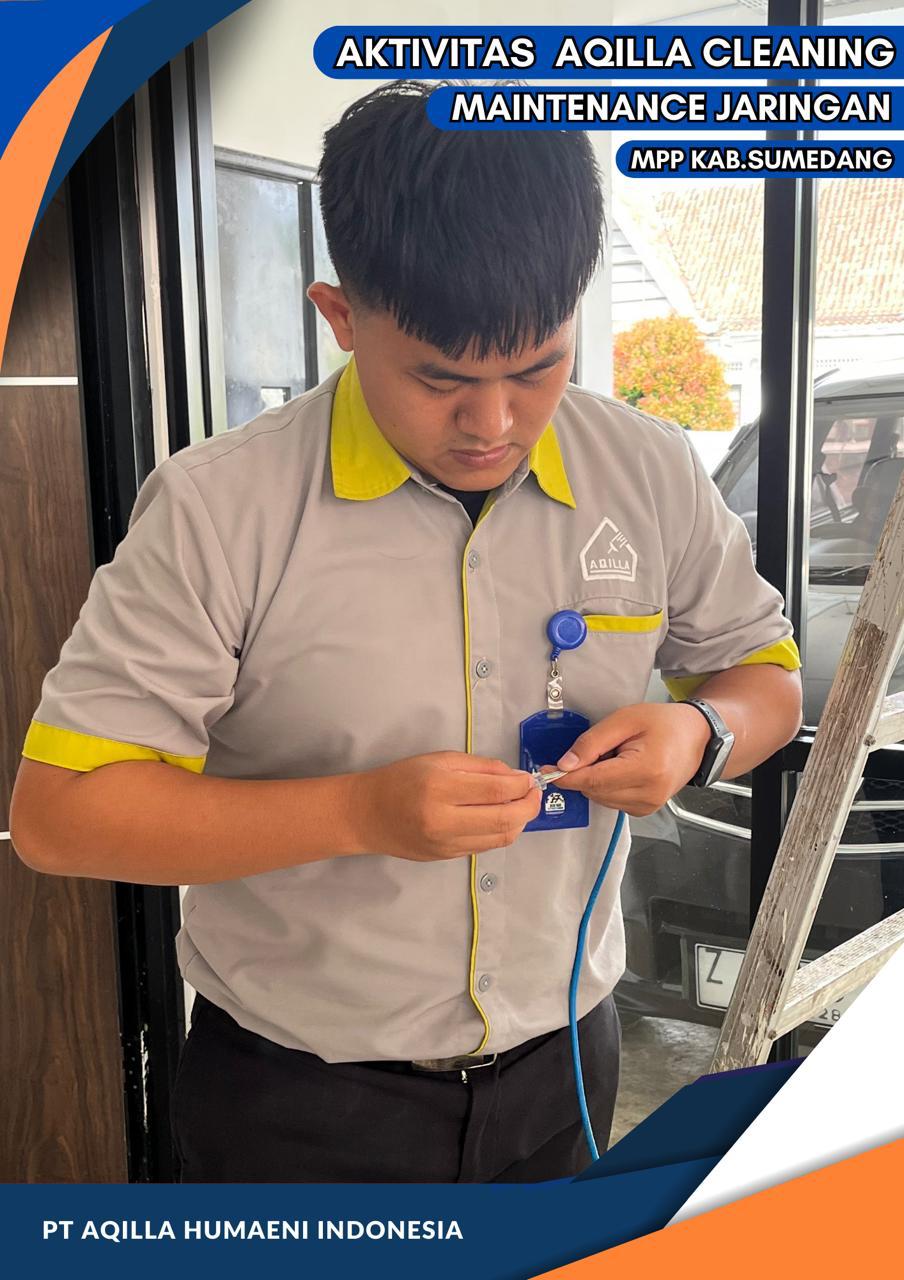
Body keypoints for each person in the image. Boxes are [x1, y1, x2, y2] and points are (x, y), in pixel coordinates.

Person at [10, 82, 802, 1184]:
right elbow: (61, 813)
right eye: (441, 378)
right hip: (300, 1104)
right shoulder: (218, 509)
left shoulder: (647, 470)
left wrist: (698, 733)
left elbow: (766, 675)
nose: (493, 424)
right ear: (339, 317)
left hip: (565, 1070)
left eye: (537, 367)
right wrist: (357, 812)